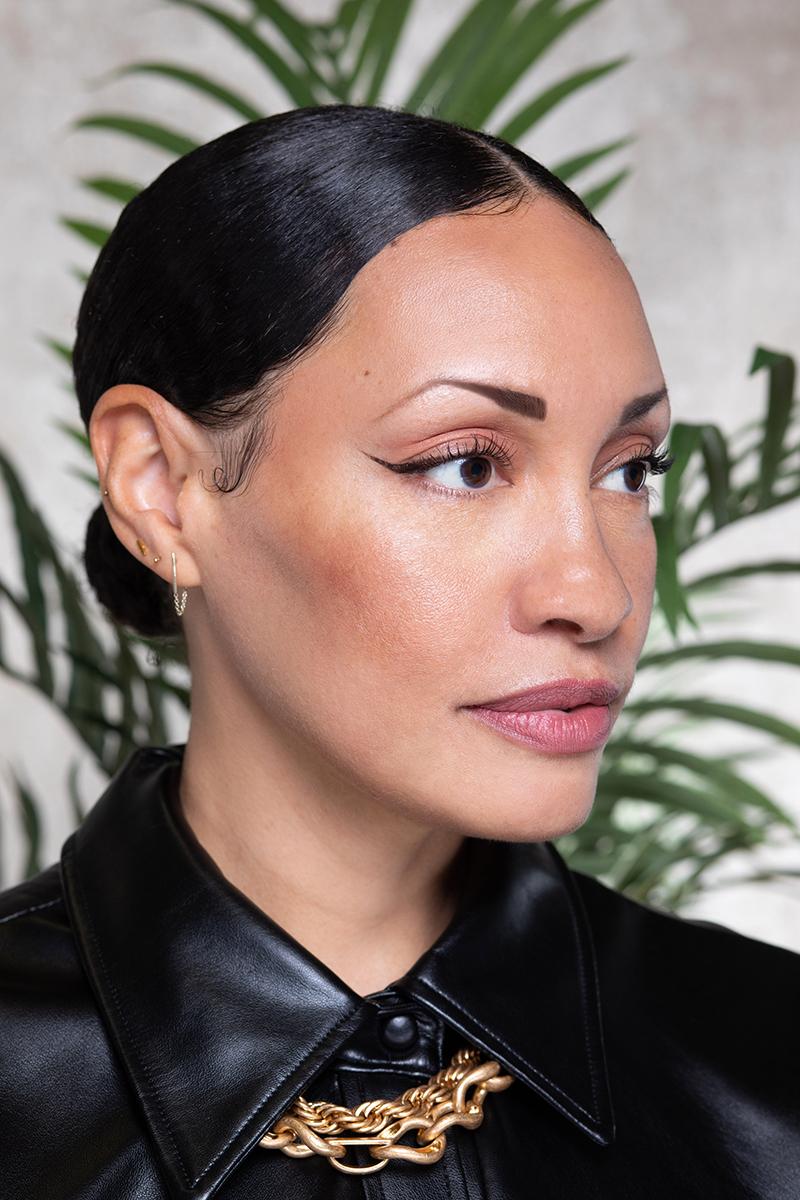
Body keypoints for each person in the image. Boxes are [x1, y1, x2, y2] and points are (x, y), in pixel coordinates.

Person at [1, 103, 798, 1200]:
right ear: (162, 490)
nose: (595, 592)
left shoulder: (767, 1067)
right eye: (464, 463)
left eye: (627, 470)